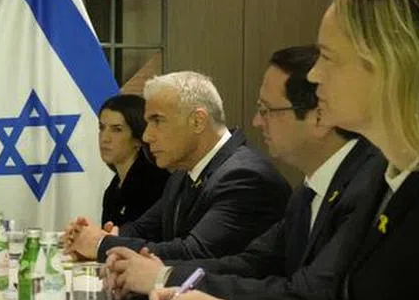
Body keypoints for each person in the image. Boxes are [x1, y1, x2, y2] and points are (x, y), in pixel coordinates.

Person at [150, 0, 419, 300]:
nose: (316, 75)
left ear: (390, 63)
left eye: (329, 57)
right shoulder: (391, 176)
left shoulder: (403, 181)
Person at [105, 46, 383, 300]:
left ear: (320, 117)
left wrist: (163, 277)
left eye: (266, 110)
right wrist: (161, 274)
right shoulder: (308, 190)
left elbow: (310, 293)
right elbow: (251, 263)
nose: (256, 122)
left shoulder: (368, 188)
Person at [66, 71, 290, 262]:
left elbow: (194, 252)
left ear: (197, 121)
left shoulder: (245, 177)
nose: (146, 136)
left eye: (157, 121)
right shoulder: (182, 173)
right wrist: (99, 237)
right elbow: (142, 229)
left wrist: (101, 244)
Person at [98, 94, 168, 228]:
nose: (104, 138)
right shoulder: (113, 188)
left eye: (116, 130)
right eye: (102, 128)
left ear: (138, 138)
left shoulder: (155, 183)